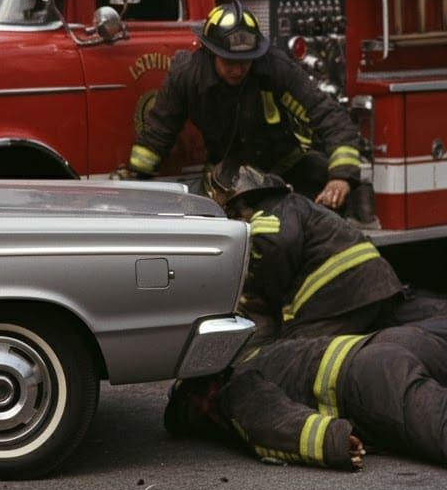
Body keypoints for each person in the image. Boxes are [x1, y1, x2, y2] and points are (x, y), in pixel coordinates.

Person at [118, 1, 364, 210]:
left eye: (245, 61)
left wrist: (341, 177)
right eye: (229, 62)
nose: (238, 70)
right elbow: (159, 132)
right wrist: (133, 176)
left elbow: (328, 116)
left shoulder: (273, 68)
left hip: (284, 169)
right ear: (210, 52)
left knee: (328, 204)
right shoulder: (187, 76)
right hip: (227, 178)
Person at [164, 316, 447, 471]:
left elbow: (270, 419)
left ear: (203, 391)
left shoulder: (232, 389)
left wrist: (333, 439)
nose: (204, 410)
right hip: (394, 340)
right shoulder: (258, 357)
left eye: (195, 406)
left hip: (372, 378)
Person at [205, 161, 445, 341]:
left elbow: (278, 247)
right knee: (397, 331)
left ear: (239, 203)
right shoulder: (295, 204)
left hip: (339, 297)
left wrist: (258, 297)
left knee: (296, 350)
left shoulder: (267, 215)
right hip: (376, 284)